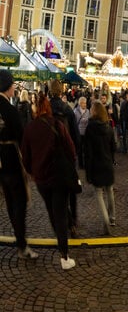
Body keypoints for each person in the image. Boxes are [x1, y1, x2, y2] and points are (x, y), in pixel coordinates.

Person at [21, 92, 77, 270]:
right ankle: (64, 255)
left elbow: (25, 157)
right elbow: (71, 149)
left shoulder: (30, 128)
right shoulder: (57, 125)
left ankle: (65, 239)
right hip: (59, 177)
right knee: (59, 213)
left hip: (42, 179)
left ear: (36, 108)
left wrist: (33, 171)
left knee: (53, 213)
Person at [0, 70, 38, 260]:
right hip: (12, 162)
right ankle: (22, 244)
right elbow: (22, 137)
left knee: (9, 201)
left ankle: (20, 241)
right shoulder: (9, 110)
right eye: (13, 84)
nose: (15, 87)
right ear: (7, 87)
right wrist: (29, 166)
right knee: (19, 203)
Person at [48, 79, 80, 235]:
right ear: (61, 92)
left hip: (50, 155)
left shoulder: (45, 109)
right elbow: (75, 134)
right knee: (71, 189)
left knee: (54, 189)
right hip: (67, 154)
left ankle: (62, 219)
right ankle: (73, 220)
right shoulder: (67, 109)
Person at [84, 100, 117, 234]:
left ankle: (105, 222)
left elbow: (88, 152)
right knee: (109, 191)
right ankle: (112, 218)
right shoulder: (108, 127)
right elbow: (113, 147)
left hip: (96, 164)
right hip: (107, 163)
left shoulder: (90, 128)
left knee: (99, 193)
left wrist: (88, 170)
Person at [73, 96, 91, 169]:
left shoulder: (88, 111)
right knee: (80, 150)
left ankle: (86, 163)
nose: (85, 105)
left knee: (86, 149)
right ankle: (80, 164)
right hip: (79, 133)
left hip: (86, 132)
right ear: (80, 103)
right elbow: (74, 123)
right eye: (83, 103)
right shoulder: (75, 111)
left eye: (85, 103)